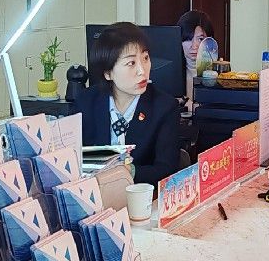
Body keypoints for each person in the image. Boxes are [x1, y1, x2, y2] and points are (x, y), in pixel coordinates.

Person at [76, 22, 182, 186]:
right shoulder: (86, 102)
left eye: (145, 58)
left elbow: (167, 170)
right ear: (108, 73)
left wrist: (130, 171)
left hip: (140, 194)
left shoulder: (165, 108)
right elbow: (74, 158)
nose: (142, 70)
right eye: (131, 63)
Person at [177, 10, 216, 104]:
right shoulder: (171, 74)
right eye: (188, 39)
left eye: (200, 39)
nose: (194, 46)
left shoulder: (217, 74)